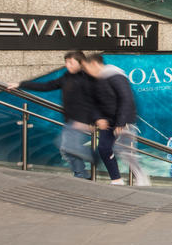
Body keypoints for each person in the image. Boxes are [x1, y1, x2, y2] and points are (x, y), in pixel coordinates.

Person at [8, 50, 96, 179]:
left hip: (81, 121)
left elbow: (96, 100)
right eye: (66, 62)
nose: (68, 65)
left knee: (67, 146)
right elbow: (46, 86)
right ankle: (81, 174)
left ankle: (94, 156)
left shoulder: (87, 79)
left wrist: (92, 120)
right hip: (70, 120)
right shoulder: (67, 77)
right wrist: (21, 84)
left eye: (71, 63)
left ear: (81, 63)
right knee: (66, 149)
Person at [83, 54, 147, 186]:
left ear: (94, 64)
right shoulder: (95, 81)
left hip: (123, 121)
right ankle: (116, 180)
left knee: (126, 152)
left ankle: (141, 177)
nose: (86, 71)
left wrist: (121, 122)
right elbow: (93, 103)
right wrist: (97, 119)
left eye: (87, 67)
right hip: (107, 121)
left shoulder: (116, 76)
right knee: (104, 148)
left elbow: (126, 99)